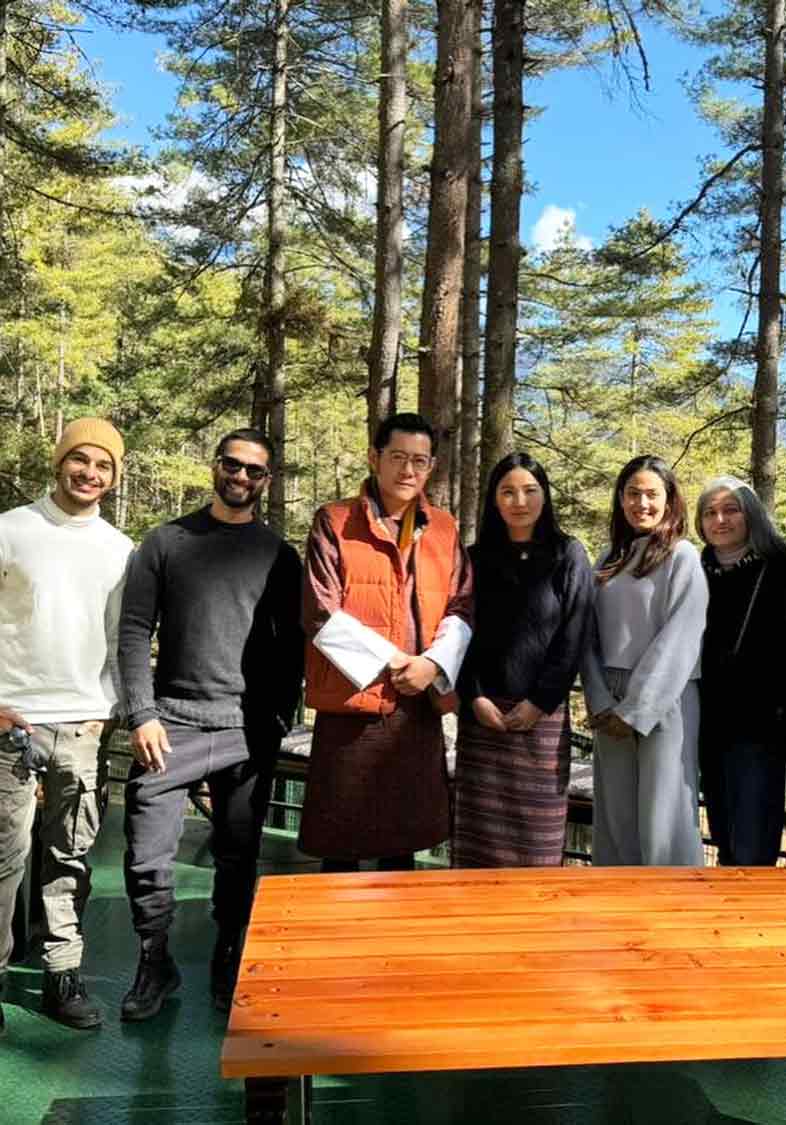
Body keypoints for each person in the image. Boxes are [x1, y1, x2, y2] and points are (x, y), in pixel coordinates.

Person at [117, 428, 303, 1021]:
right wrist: (141, 713)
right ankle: (155, 959)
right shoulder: (167, 542)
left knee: (237, 854)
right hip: (170, 724)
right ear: (215, 467)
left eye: (255, 471)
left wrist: (275, 719)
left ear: (266, 481)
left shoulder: (279, 554)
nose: (242, 477)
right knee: (147, 855)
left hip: (247, 727)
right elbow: (133, 630)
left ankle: (229, 954)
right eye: (233, 465)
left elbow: (290, 647)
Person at [0, 418, 132, 1032]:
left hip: (81, 724)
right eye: (80, 460)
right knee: (4, 857)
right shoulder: (11, 530)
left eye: (103, 465)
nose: (90, 473)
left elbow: (117, 637)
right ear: (59, 463)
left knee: (69, 856)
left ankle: (62, 974)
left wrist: (102, 713)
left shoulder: (118, 549)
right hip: (12, 722)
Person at [301, 412, 473, 872]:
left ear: (432, 466)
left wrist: (433, 666)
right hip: (352, 706)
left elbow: (461, 606)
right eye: (397, 457)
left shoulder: (444, 529)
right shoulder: (335, 522)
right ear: (375, 458)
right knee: (342, 849)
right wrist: (398, 661)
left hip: (417, 709)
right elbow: (321, 612)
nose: (408, 471)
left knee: (402, 847)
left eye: (420, 460)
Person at [452, 453, 592, 867]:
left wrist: (540, 701)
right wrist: (473, 697)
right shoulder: (474, 559)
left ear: (545, 497)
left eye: (531, 490)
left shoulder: (569, 554)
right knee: (477, 842)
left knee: (538, 840)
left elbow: (575, 633)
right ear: (494, 500)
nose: (520, 501)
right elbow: (459, 634)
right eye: (508, 491)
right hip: (483, 719)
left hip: (541, 722)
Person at [582, 454, 708, 866]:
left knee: (664, 818)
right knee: (616, 817)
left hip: (665, 699)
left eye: (652, 494)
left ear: (669, 500)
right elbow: (588, 636)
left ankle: (673, 912)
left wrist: (636, 710)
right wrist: (600, 701)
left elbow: (681, 638)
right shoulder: (606, 560)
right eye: (633, 493)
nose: (642, 503)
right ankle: (618, 912)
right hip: (610, 700)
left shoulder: (683, 557)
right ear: (620, 499)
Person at [695, 476, 786, 866]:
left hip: (759, 727)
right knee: (724, 837)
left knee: (753, 845)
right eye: (710, 512)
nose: (720, 520)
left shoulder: (781, 568)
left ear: (750, 515)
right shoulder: (694, 570)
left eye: (730, 510)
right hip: (708, 723)